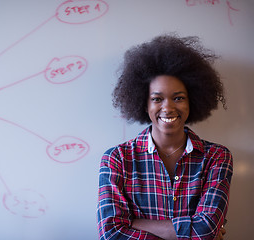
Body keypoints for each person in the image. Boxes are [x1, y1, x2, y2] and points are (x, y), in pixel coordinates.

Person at [97, 34, 233, 240]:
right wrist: (193, 232)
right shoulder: (117, 159)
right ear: (144, 104)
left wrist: (135, 224)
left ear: (193, 101)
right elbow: (111, 233)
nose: (168, 108)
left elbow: (206, 229)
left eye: (178, 98)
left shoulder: (217, 157)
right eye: (157, 99)